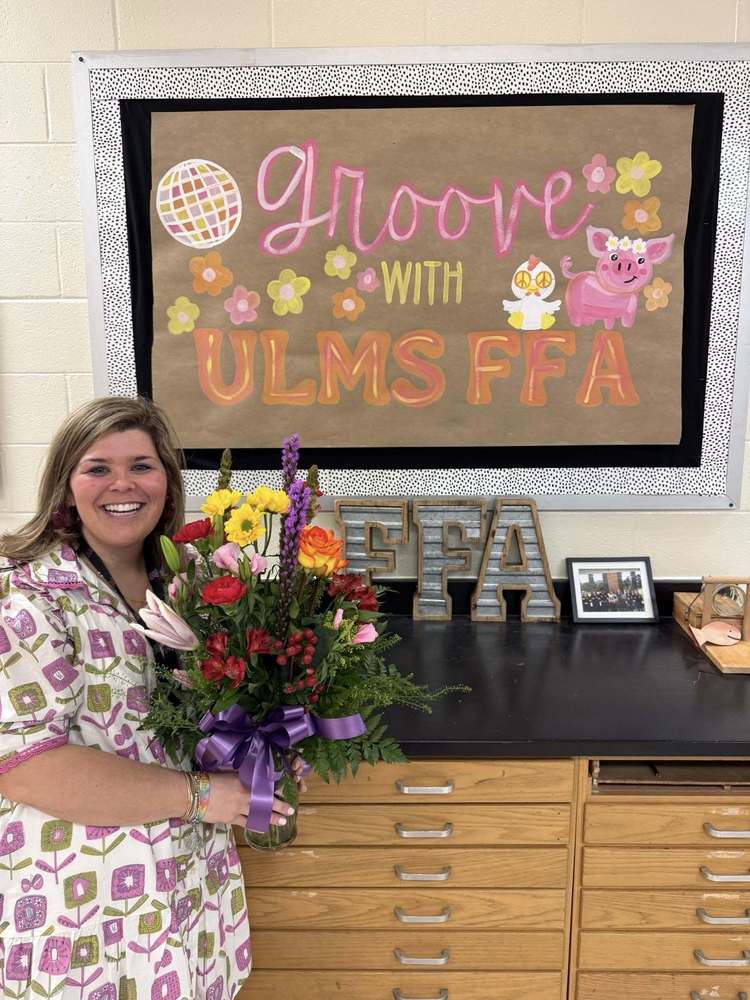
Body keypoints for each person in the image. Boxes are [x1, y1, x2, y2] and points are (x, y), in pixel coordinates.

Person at [0, 396, 298, 999]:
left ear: (167, 480)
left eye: (141, 465)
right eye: (98, 468)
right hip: (83, 900)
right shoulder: (26, 594)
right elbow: (24, 766)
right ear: (66, 485)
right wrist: (203, 795)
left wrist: (268, 748)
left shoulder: (193, 578)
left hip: (190, 884)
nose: (123, 485)